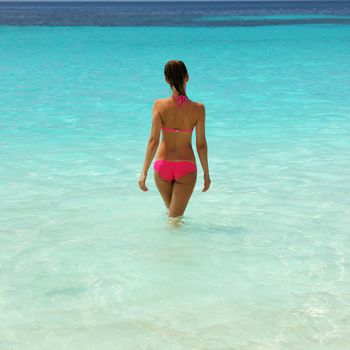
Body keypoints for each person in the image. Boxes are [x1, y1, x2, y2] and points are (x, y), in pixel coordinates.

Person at [139, 60, 211, 224]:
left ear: (166, 80)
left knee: (172, 215)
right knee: (175, 219)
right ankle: (176, 248)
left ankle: (167, 247)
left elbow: (153, 141)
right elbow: (201, 145)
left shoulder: (159, 105)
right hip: (186, 168)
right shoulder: (198, 108)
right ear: (187, 77)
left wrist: (144, 172)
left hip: (162, 166)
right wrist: (206, 173)